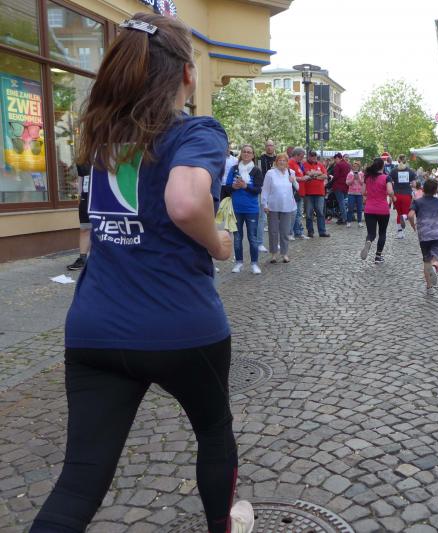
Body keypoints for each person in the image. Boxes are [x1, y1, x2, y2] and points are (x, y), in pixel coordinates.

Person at [31, 12, 254, 533]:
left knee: (78, 481)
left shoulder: (100, 137)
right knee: (214, 432)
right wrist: (219, 244)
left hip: (95, 327)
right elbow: (185, 202)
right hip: (180, 325)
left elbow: (98, 224)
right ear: (186, 74)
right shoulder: (196, 131)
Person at [224, 144, 264, 274]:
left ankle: (254, 263)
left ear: (253, 155)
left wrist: (246, 186)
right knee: (237, 238)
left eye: (249, 152)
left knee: (252, 237)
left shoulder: (256, 170)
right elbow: (227, 187)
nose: (246, 154)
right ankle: (239, 262)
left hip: (251, 209)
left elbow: (258, 190)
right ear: (241, 153)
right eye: (244, 151)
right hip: (236, 208)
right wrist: (233, 187)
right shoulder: (234, 169)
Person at [408, 178, 438, 294]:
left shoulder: (417, 202)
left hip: (424, 235)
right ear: (435, 190)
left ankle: (429, 287)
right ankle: (435, 268)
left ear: (423, 188)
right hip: (437, 235)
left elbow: (410, 215)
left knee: (426, 260)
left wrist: (413, 225)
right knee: (436, 258)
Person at [262, 153, 298, 263]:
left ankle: (284, 253)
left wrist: (294, 180)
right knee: (273, 231)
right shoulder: (270, 173)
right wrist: (264, 204)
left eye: (284, 160)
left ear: (287, 162)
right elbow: (265, 190)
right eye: (280, 160)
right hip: (273, 206)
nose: (282, 162)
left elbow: (297, 187)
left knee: (285, 231)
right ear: (276, 162)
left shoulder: (291, 172)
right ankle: (273, 254)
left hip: (287, 206)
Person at [361, 157, 395, 263]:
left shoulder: (367, 177)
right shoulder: (386, 177)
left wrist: (370, 193)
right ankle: (378, 256)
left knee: (371, 233)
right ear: (382, 166)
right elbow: (390, 191)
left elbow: (363, 192)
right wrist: (393, 197)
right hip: (382, 209)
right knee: (382, 233)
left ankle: (369, 241)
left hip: (369, 209)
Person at [67, 163, 93, 271]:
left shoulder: (105, 156)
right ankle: (83, 259)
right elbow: (80, 179)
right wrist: (79, 196)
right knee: (84, 228)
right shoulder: (82, 161)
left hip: (102, 197)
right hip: (86, 199)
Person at [301, 150, 330, 238]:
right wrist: (318, 174)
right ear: (308, 156)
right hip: (308, 193)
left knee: (320, 213)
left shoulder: (320, 165)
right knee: (309, 214)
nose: (314, 157)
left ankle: (322, 232)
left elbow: (325, 176)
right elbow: (308, 174)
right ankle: (310, 232)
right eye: (312, 156)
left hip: (320, 193)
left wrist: (313, 176)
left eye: (315, 156)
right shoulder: (304, 164)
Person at [255, 140, 277, 253]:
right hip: (263, 191)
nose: (269, 147)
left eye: (271, 145)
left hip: (275, 191)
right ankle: (259, 243)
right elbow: (259, 174)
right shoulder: (260, 159)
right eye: (267, 145)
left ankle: (275, 243)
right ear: (265, 147)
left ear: (274, 147)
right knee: (262, 218)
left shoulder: (278, 159)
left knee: (275, 218)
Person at [389, 154, 417, 239]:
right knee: (406, 213)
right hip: (406, 195)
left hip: (396, 194)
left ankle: (400, 233)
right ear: (405, 161)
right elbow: (414, 185)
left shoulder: (393, 171)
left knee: (399, 213)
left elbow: (389, 181)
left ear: (398, 160)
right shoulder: (410, 171)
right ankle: (404, 217)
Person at [288, 148, 308, 240]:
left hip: (300, 192)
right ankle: (291, 232)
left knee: (298, 213)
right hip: (295, 193)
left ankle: (298, 232)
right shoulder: (290, 163)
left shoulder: (298, 164)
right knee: (294, 213)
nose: (302, 158)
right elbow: (290, 177)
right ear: (296, 155)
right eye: (301, 156)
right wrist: (302, 178)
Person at [331, 152, 351, 224]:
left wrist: (331, 181)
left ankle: (344, 218)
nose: (335, 161)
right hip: (346, 186)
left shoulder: (338, 165)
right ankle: (344, 217)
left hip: (338, 186)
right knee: (344, 203)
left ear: (338, 158)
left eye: (335, 159)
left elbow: (336, 176)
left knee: (341, 202)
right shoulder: (348, 165)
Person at [346, 160, 365, 227]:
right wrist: (353, 178)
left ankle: (359, 222)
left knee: (359, 209)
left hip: (359, 194)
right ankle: (349, 221)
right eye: (354, 166)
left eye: (356, 166)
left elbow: (362, 183)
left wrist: (358, 178)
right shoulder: (349, 174)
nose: (355, 167)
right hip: (351, 193)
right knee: (350, 208)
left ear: (359, 167)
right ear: (352, 167)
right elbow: (347, 183)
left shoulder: (361, 174)